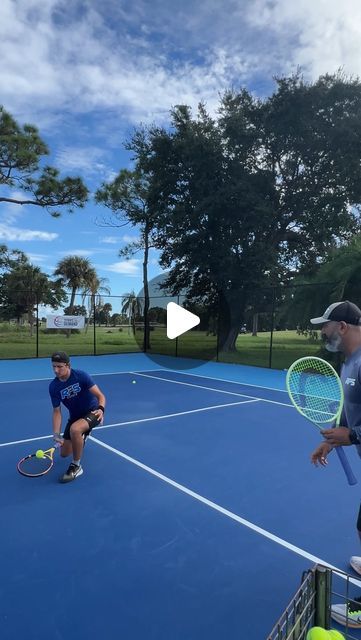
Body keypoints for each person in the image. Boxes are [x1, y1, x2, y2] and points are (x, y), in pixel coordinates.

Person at [309, 300, 361, 628]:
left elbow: (352, 428)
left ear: (341, 327)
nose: (323, 332)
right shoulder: (348, 363)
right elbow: (348, 409)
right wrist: (332, 440)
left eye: (325, 326)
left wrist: (352, 436)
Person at [49, 351, 106, 483]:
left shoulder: (81, 376)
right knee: (64, 454)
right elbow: (57, 411)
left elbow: (100, 396)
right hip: (75, 416)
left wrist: (101, 409)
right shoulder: (54, 387)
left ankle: (76, 466)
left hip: (93, 412)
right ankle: (83, 435)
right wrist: (56, 433)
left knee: (75, 430)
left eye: (59, 366)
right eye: (53, 367)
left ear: (68, 365)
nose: (56, 370)